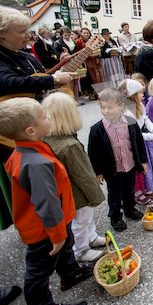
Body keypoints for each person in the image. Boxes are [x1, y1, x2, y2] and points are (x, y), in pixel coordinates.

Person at [0, 97, 92, 305]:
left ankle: (70, 273)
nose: (48, 117)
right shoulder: (36, 163)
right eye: (44, 116)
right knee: (39, 270)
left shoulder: (28, 150)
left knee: (66, 248)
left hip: (60, 220)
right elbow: (48, 205)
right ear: (30, 131)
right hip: (46, 230)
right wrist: (57, 235)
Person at [41, 92, 106, 263]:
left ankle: (91, 237)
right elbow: (83, 175)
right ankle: (81, 249)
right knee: (82, 220)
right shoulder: (69, 146)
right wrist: (95, 195)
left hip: (66, 191)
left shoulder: (48, 138)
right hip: (78, 194)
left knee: (85, 219)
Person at [88, 88, 146, 231]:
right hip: (112, 170)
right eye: (103, 107)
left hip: (130, 165)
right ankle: (115, 216)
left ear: (121, 106)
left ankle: (130, 209)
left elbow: (139, 142)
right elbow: (93, 152)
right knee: (114, 194)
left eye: (110, 107)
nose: (106, 111)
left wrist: (143, 161)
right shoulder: (97, 129)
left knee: (129, 190)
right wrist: (98, 172)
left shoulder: (131, 122)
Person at [0, 6, 75, 99]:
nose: (28, 35)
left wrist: (61, 68)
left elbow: (41, 80)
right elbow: (10, 82)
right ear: (2, 33)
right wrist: (54, 79)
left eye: (27, 30)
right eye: (22, 31)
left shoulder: (26, 56)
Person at [118, 79, 153, 204]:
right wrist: (152, 137)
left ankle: (147, 187)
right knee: (139, 169)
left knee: (148, 165)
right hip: (135, 145)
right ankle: (137, 192)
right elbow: (136, 135)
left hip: (144, 142)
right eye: (140, 93)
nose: (143, 95)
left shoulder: (139, 106)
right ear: (132, 95)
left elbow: (146, 118)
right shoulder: (127, 113)